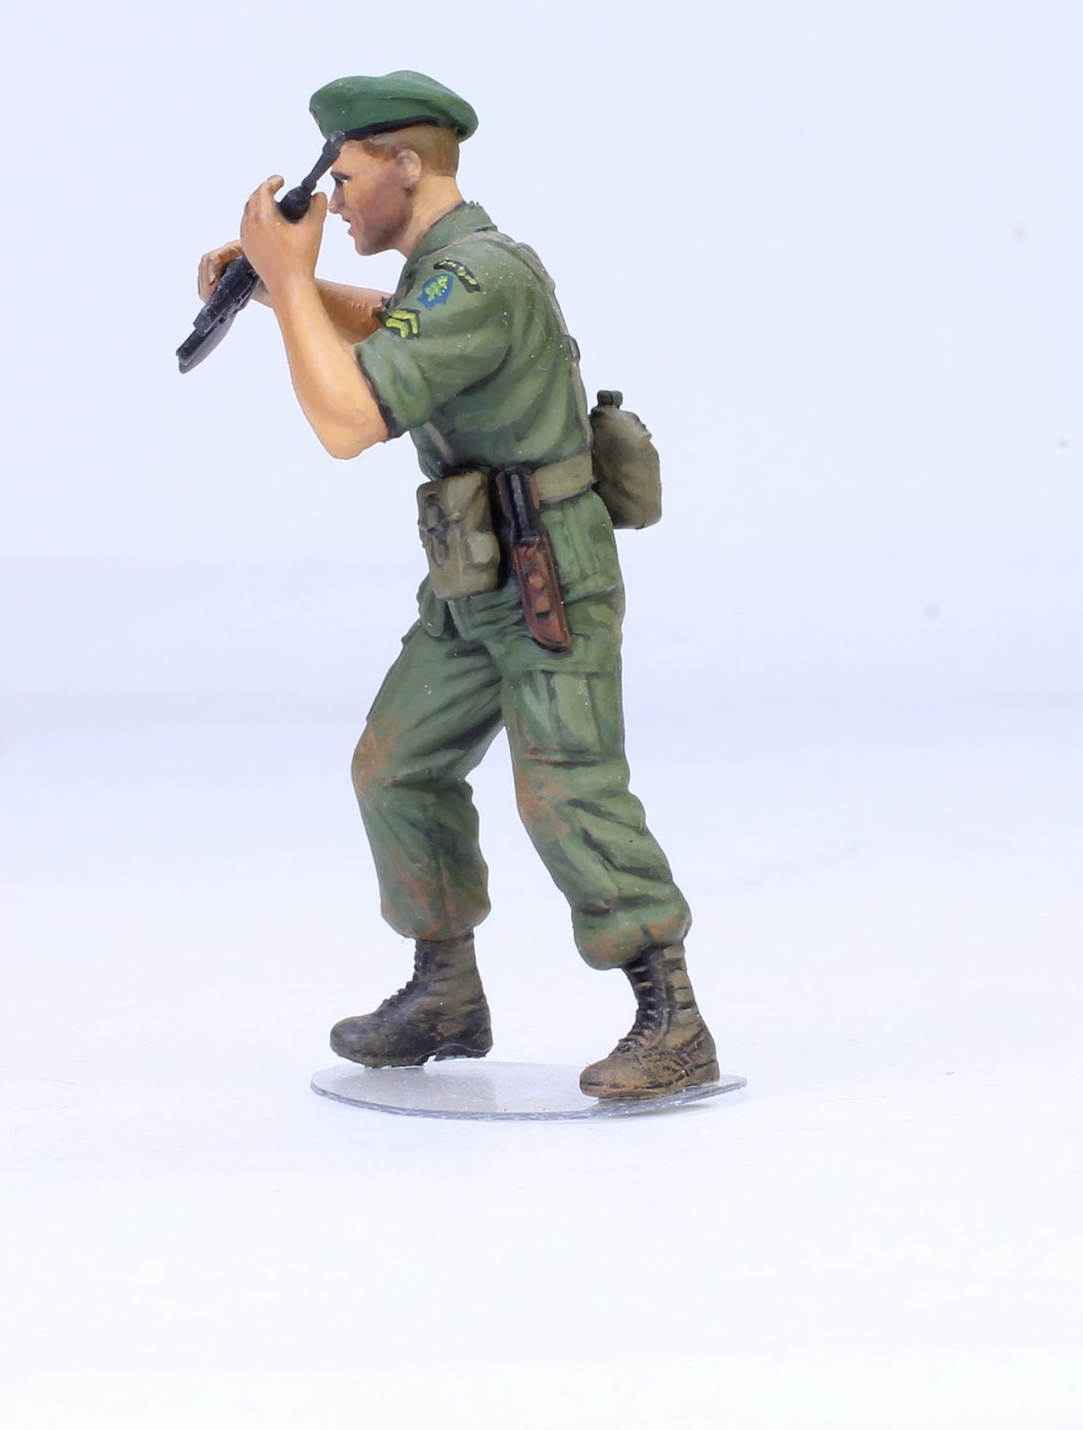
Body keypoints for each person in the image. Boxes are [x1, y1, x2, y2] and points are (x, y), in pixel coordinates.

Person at [197, 70, 718, 1098]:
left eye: (346, 178)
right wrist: (279, 293)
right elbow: (395, 328)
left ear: (406, 166)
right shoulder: (444, 277)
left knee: (566, 787)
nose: (336, 202)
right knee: (395, 767)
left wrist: (292, 284)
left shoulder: (477, 279)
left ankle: (676, 1020)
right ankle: (446, 994)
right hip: (475, 572)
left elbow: (348, 423)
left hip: (546, 574)